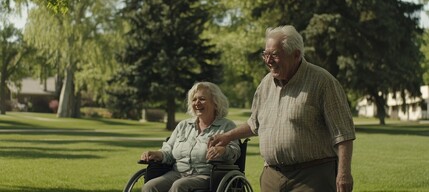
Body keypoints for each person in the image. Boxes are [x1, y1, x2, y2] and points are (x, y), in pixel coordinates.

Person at [209, 25, 356, 192]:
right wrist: (228, 136)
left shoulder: (322, 82)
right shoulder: (265, 84)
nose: (268, 60)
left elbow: (343, 134)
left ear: (296, 55)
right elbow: (255, 124)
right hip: (272, 176)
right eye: (265, 54)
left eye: (275, 55)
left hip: (312, 176)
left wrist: (344, 173)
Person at [140, 82, 241, 192]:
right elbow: (168, 151)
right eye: (194, 100)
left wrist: (223, 150)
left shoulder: (226, 126)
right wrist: (156, 154)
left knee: (179, 186)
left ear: (215, 102)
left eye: (202, 99)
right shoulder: (183, 125)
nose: (197, 103)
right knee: (150, 187)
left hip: (207, 176)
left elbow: (235, 151)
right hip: (177, 173)